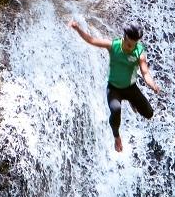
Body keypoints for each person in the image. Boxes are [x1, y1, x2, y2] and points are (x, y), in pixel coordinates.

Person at [68, 19, 162, 152]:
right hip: (114, 89)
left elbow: (145, 72)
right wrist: (77, 28)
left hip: (130, 88)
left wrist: (152, 85)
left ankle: (131, 101)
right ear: (124, 38)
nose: (131, 48)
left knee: (149, 114)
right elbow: (91, 40)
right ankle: (116, 137)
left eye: (134, 45)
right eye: (129, 45)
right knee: (116, 109)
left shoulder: (139, 51)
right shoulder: (113, 45)